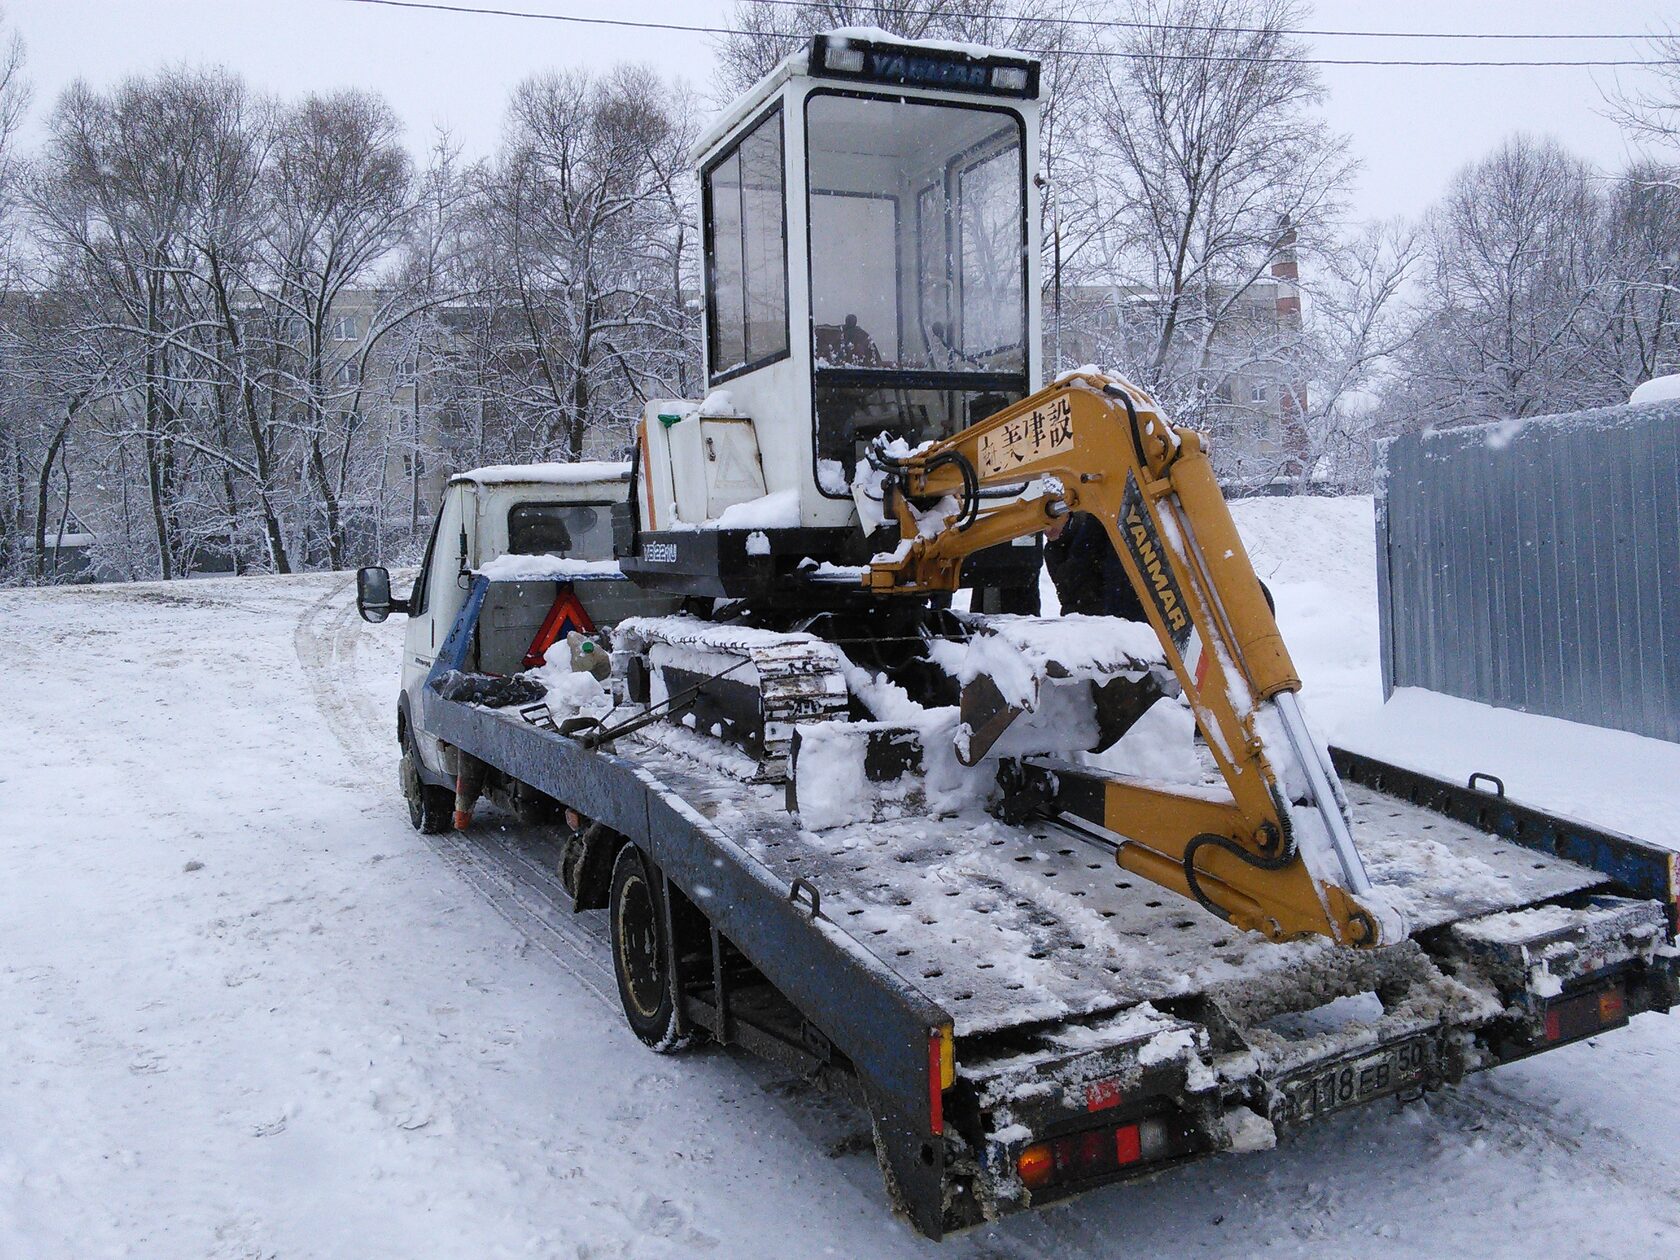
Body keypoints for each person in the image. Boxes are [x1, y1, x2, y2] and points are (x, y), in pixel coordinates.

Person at [1043, 511, 1149, 622]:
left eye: (1051, 521)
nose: (1048, 530)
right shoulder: (1053, 550)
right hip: (1090, 619)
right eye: (1043, 527)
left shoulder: (1092, 532)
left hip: (1109, 616)